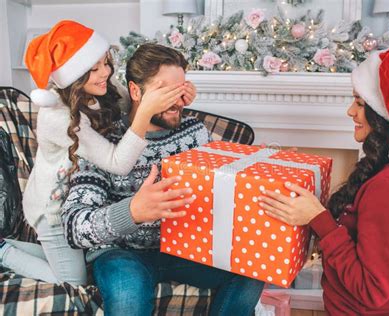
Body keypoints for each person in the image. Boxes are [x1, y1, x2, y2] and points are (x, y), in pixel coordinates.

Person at [61, 43, 264, 316]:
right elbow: (74, 226)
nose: (178, 101)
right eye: (165, 91)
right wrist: (132, 212)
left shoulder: (195, 133)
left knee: (253, 266)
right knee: (127, 299)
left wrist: (265, 163)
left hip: (184, 249)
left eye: (181, 90)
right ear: (135, 92)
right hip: (121, 253)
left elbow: (228, 180)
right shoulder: (103, 141)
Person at [259, 47, 389, 315]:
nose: (350, 112)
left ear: (386, 113)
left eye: (360, 103)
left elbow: (370, 290)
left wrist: (319, 219)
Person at [0, 20, 197, 286]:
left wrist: (175, 97)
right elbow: (117, 162)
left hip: (78, 196)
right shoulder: (58, 117)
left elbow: (136, 100)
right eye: (94, 69)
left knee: (81, 265)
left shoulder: (102, 87)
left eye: (106, 62)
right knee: (75, 282)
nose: (105, 72)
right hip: (54, 209)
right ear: (74, 76)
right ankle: (4, 251)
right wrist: (148, 110)